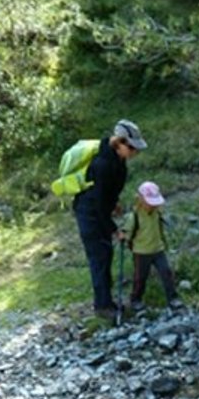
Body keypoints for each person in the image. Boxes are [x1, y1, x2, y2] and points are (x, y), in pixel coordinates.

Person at [73, 119, 147, 319]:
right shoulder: (102, 164)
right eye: (131, 147)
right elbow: (97, 203)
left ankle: (107, 301)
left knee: (106, 254)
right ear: (120, 143)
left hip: (99, 210)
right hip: (88, 214)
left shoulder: (118, 161)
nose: (134, 152)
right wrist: (113, 229)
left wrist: (114, 203)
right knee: (100, 258)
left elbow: (108, 192)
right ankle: (102, 306)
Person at [121, 181, 183, 312]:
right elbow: (127, 233)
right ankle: (135, 299)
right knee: (140, 277)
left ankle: (173, 298)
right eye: (149, 203)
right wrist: (123, 237)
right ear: (141, 200)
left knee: (166, 273)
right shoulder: (134, 217)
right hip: (141, 252)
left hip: (158, 249)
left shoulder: (157, 213)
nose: (152, 206)